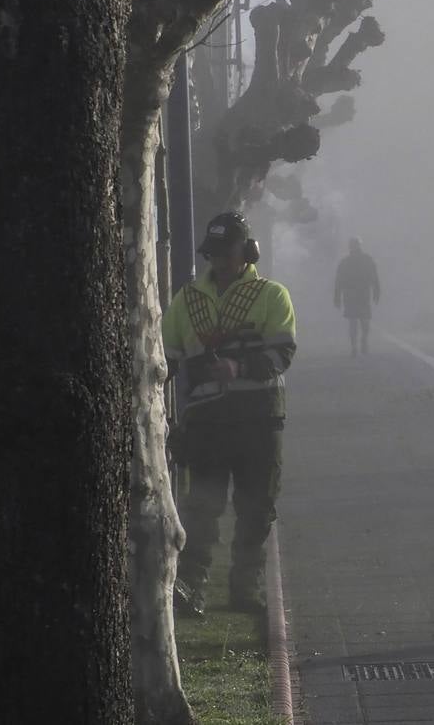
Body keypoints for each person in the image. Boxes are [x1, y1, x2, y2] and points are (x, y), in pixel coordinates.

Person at [164, 211, 297, 615]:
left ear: (248, 251)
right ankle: (192, 588)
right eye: (213, 253)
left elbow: (282, 352)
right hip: (207, 420)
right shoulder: (186, 301)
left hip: (259, 419)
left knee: (256, 507)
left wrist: (241, 367)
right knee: (201, 507)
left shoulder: (273, 296)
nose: (218, 261)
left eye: (226, 253)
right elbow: (166, 358)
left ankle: (245, 590)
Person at [334, 236, 380, 355]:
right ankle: (354, 346)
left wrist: (376, 291)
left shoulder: (367, 260)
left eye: (356, 245)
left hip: (363, 294)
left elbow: (374, 277)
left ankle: (363, 340)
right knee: (353, 322)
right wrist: (337, 297)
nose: (354, 248)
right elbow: (339, 281)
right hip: (350, 296)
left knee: (364, 321)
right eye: (353, 246)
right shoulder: (345, 262)